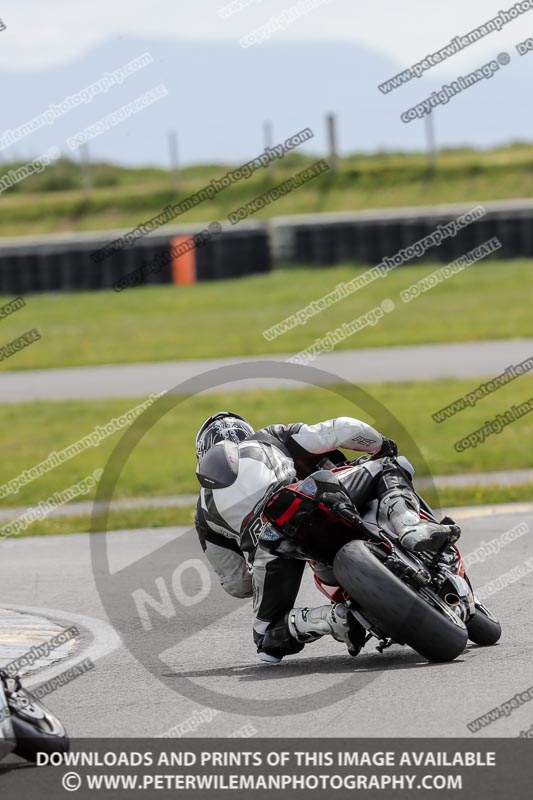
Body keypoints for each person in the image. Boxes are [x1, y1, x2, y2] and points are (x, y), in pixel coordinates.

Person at [194, 411, 460, 664]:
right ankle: (409, 526)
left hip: (271, 545)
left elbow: (237, 585)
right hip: (313, 492)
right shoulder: (271, 436)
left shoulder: (203, 511)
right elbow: (343, 429)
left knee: (266, 638)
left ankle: (331, 619)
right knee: (389, 465)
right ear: (245, 432)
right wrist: (380, 445)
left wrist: (257, 565)